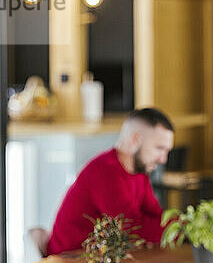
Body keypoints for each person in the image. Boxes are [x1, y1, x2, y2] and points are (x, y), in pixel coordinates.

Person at [44, 108, 174, 255]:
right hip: (70, 261)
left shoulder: (139, 173)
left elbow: (157, 217)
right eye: (159, 148)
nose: (163, 159)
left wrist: (174, 226)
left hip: (102, 259)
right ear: (135, 140)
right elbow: (131, 230)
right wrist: (183, 226)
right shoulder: (105, 171)